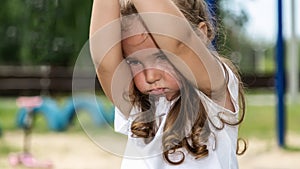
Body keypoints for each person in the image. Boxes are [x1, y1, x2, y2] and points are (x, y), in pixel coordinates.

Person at [89, 0, 246, 168]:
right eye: (134, 62)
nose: (150, 76)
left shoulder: (214, 92)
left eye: (162, 57)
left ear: (200, 36)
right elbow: (103, 61)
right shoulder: (139, 107)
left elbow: (180, 44)